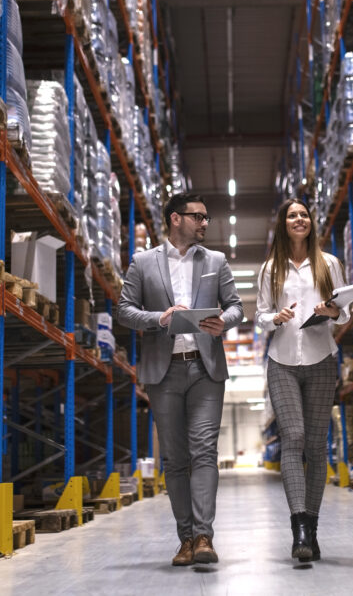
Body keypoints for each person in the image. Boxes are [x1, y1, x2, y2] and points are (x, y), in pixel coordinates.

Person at [117, 192, 243, 566]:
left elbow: (236, 307)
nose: (204, 223)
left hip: (205, 369)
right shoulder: (143, 262)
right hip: (164, 370)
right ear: (176, 218)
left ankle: (204, 537)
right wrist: (159, 318)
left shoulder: (216, 261)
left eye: (206, 218)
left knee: (204, 451)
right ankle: (185, 539)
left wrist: (224, 322)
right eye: (198, 217)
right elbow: (124, 311)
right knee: (174, 458)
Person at [255, 198, 349, 562]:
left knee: (316, 445)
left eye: (304, 215)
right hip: (282, 361)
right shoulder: (270, 268)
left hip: (321, 358)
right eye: (292, 215)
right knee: (293, 437)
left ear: (311, 222)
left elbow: (345, 313)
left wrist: (333, 311)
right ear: (283, 223)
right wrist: (274, 318)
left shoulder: (329, 264)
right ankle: (299, 528)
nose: (299, 219)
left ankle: (312, 526)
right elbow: (260, 316)